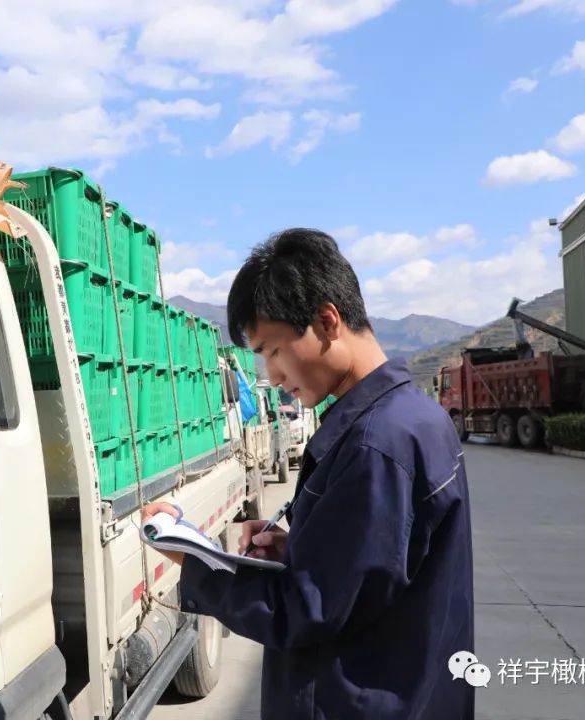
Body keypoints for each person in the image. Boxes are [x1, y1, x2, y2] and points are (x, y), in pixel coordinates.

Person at [143, 229, 474, 719]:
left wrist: (191, 559)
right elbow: (375, 571)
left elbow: (302, 612)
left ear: (326, 321)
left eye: (273, 350)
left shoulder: (376, 446)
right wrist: (300, 548)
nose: (272, 375)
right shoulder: (412, 418)